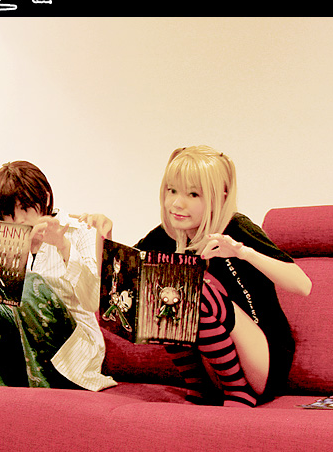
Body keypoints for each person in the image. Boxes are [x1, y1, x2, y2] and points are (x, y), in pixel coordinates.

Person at [86, 145, 311, 407]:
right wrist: (103, 238)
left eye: (193, 194)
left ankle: (239, 392)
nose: (177, 203)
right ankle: (200, 387)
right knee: (161, 288)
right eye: (172, 190)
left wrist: (242, 253)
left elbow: (303, 285)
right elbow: (121, 289)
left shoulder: (235, 228)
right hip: (211, 371)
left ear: (219, 197)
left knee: (192, 288)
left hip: (264, 362)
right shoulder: (166, 237)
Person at [0, 160, 116, 391]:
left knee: (27, 283)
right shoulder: (5, 239)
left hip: (74, 353)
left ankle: (41, 391)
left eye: (25, 208)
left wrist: (63, 246)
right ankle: (5, 389)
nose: (19, 220)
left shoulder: (79, 230)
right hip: (21, 353)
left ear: (44, 197)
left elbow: (93, 301)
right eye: (9, 214)